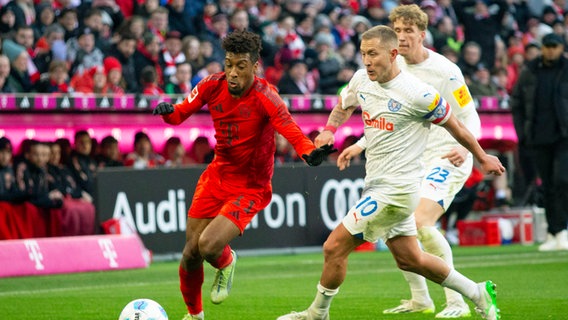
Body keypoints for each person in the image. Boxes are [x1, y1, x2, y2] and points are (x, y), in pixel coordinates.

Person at [277, 25, 504, 320]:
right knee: (411, 259)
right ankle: (478, 292)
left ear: (393, 54)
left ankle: (316, 314)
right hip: (376, 184)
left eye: (373, 54)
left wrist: (481, 156)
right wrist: (329, 130)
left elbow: (457, 126)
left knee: (333, 247)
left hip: (397, 191)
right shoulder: (361, 79)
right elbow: (344, 105)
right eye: (363, 54)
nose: (367, 61)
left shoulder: (419, 94)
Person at [152, 30, 335, 320]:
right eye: (228, 64)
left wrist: (308, 152)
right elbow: (179, 112)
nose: (233, 72)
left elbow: (289, 128)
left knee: (209, 245)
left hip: (250, 186)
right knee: (190, 254)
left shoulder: (266, 96)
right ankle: (194, 315)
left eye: (240, 66)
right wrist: (167, 111)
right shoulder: (212, 85)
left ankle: (226, 262)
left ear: (254, 66)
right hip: (216, 176)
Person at [348, 6, 483, 317]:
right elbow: (390, 118)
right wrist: (360, 143)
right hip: (411, 159)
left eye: (409, 31)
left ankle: (458, 302)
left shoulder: (446, 71)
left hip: (448, 155)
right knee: (397, 224)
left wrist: (468, 149)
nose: (403, 36)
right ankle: (420, 299)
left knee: (421, 222)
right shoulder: (392, 69)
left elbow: (469, 116)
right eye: (397, 30)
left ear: (423, 35)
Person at [511, 32, 568, 251]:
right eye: (548, 46)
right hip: (538, 137)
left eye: (555, 46)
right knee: (548, 185)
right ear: (543, 48)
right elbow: (516, 103)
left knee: (562, 180)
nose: (551, 50)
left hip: (564, 137)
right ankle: (554, 233)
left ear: (562, 48)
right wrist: (522, 133)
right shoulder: (530, 71)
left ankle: (562, 229)